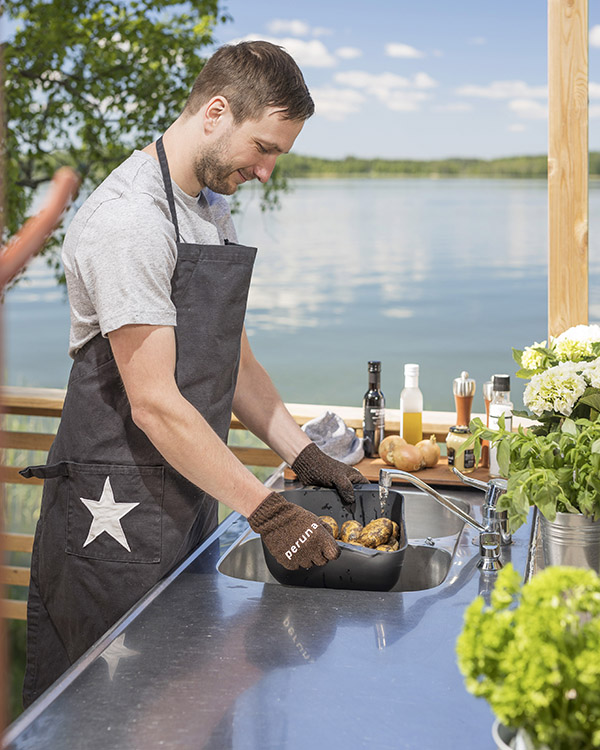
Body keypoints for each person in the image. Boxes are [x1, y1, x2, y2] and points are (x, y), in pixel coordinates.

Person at [20, 40, 366, 707]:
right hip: (110, 521)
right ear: (215, 112)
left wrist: (304, 453)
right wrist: (268, 511)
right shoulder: (132, 221)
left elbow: (231, 357)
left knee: (188, 709)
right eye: (264, 148)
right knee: (112, 716)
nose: (267, 171)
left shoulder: (208, 211)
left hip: (183, 503)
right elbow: (153, 403)